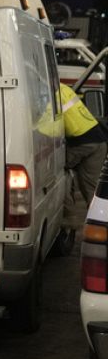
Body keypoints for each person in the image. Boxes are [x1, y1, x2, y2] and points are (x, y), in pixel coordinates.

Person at [59, 83, 108, 248]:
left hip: (83, 143)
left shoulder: (46, 93)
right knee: (94, 192)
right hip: (97, 140)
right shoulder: (62, 87)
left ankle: (69, 225)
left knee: (57, 171)